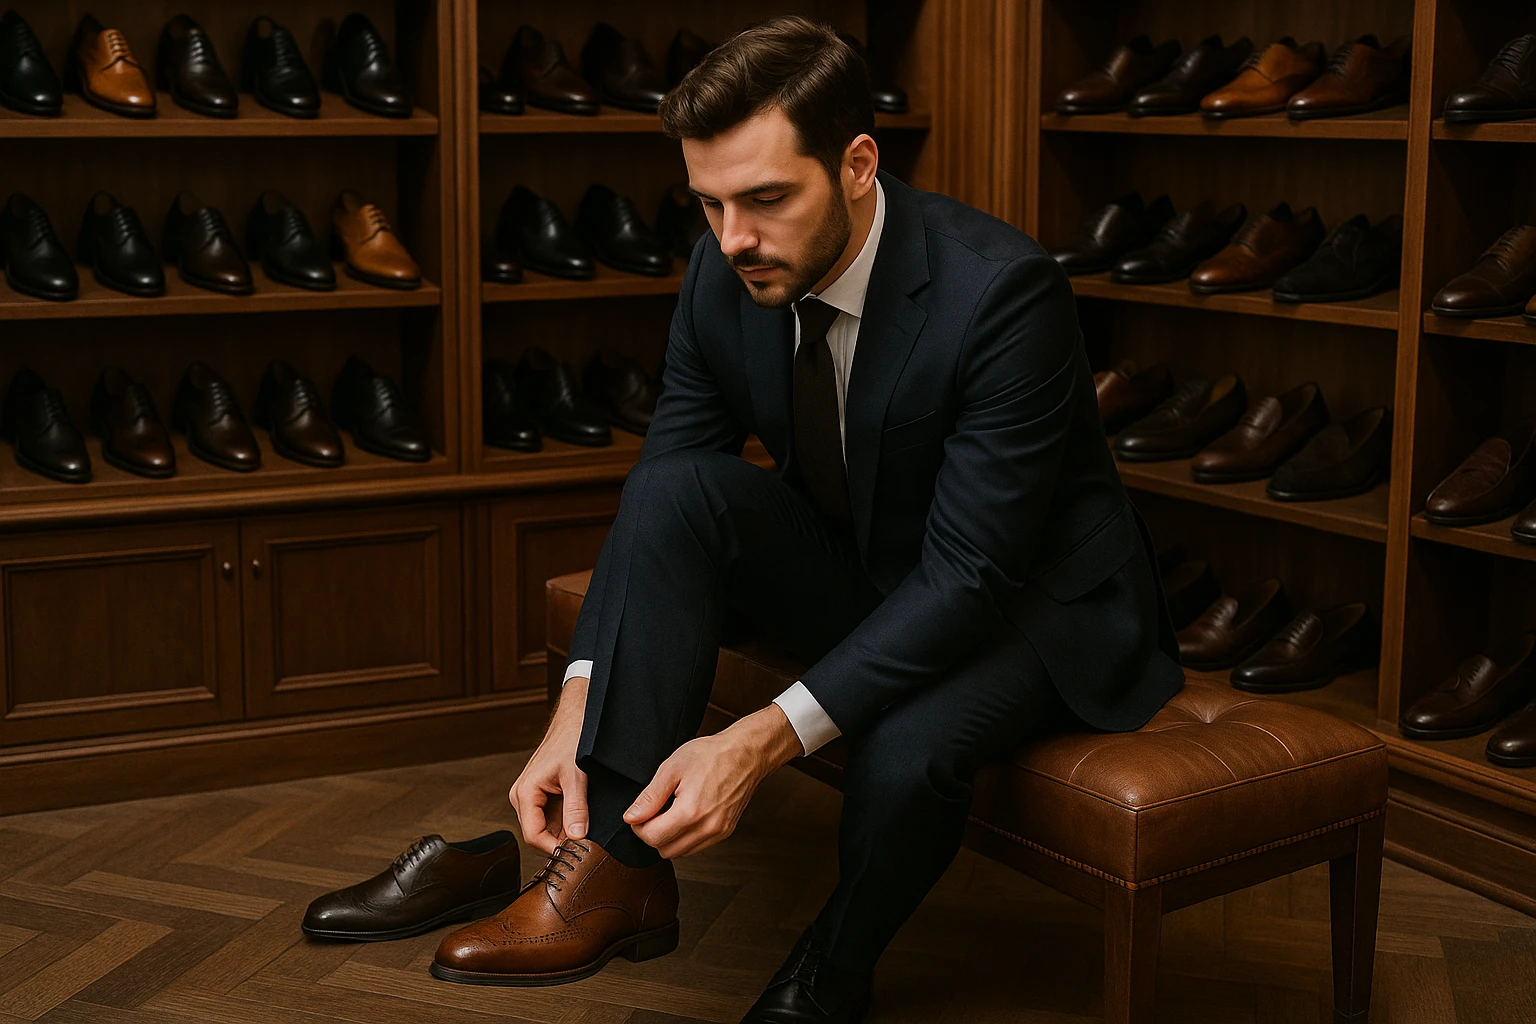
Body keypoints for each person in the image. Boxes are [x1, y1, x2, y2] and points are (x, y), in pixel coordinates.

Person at [431, 15, 1183, 1022]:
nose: (733, 238)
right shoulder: (722, 268)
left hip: (1035, 605)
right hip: (876, 564)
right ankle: (616, 871)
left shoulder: (1003, 292)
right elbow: (664, 486)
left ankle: (834, 968)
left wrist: (758, 739)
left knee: (906, 747)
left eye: (767, 199)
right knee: (675, 489)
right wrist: (580, 701)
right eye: (710, 203)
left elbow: (971, 576)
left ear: (858, 165)